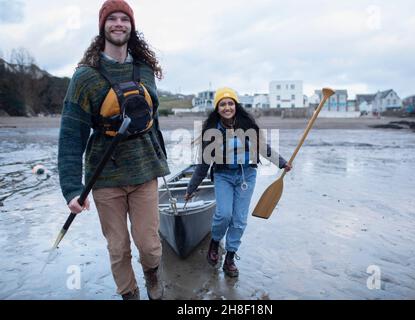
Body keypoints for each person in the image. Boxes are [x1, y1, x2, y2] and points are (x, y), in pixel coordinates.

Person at [57, 0, 170, 300]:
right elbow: (71, 135)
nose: (118, 24)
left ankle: (153, 276)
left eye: (124, 19)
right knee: (118, 248)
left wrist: (162, 158)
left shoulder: (144, 69)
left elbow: (152, 119)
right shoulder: (84, 78)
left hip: (145, 169)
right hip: (105, 175)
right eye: (112, 19)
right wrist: (71, 188)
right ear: (102, 26)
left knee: (148, 245)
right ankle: (129, 294)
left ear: (131, 26)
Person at [184, 87, 292, 277]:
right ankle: (215, 242)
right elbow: (203, 164)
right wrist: (191, 187)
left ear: (236, 105)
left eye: (230, 103)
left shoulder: (246, 125)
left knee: (239, 220)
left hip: (246, 176)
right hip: (223, 176)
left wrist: (282, 162)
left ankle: (230, 258)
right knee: (224, 215)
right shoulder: (212, 131)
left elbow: (263, 148)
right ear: (217, 108)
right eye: (223, 104)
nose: (227, 107)